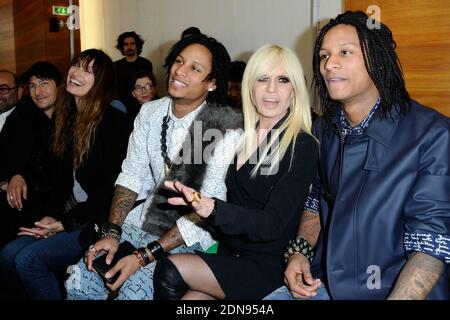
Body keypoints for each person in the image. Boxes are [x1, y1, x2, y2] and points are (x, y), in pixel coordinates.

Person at [266, 11, 450, 300]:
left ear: (377, 60)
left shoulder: (433, 134)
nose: (329, 64)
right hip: (323, 281)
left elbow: (430, 246)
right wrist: (299, 252)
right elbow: (314, 201)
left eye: (345, 52)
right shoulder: (324, 129)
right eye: (324, 55)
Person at [65, 33, 242, 300]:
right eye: (179, 61)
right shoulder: (150, 112)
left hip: (190, 237)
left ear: (213, 83)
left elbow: (206, 208)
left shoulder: (221, 127)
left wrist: (142, 256)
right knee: (80, 283)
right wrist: (112, 232)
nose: (180, 71)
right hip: (142, 222)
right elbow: (132, 175)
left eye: (195, 68)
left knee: (133, 294)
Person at [152, 44, 318, 300]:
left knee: (170, 269)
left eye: (283, 80)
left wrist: (213, 209)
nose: (271, 89)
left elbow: (273, 224)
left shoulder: (302, 145)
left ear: (294, 90)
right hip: (229, 255)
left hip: (266, 264)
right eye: (263, 78)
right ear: (250, 85)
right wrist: (196, 204)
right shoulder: (239, 134)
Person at [0, 49, 130, 299]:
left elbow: (110, 191)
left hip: (98, 220)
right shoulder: (67, 120)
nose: (76, 73)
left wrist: (64, 224)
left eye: (88, 70)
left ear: (101, 82)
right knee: (8, 255)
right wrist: (51, 218)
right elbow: (61, 183)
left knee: (28, 260)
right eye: (76, 65)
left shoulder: (114, 123)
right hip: (72, 214)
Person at [0, 62, 62, 249]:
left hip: (58, 206)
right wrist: (16, 175)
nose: (38, 91)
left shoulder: (70, 121)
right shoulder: (27, 116)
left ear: (59, 86)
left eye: (44, 83)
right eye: (33, 86)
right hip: (31, 196)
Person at [114, 31, 153, 111]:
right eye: (126, 44)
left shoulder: (145, 63)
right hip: (121, 105)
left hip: (141, 103)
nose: (129, 46)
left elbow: (149, 86)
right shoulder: (115, 65)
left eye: (132, 43)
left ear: (137, 46)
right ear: (122, 47)